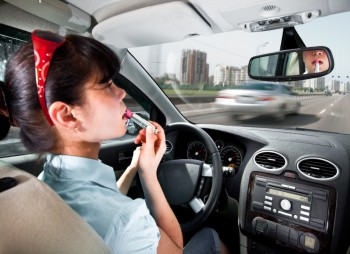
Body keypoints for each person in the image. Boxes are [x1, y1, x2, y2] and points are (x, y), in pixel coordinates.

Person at [2, 30, 229, 254]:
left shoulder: (46, 182)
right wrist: (149, 174)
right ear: (67, 115)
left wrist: (134, 168)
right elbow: (176, 248)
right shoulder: (125, 221)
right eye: (106, 85)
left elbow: (103, 203)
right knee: (210, 237)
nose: (121, 92)